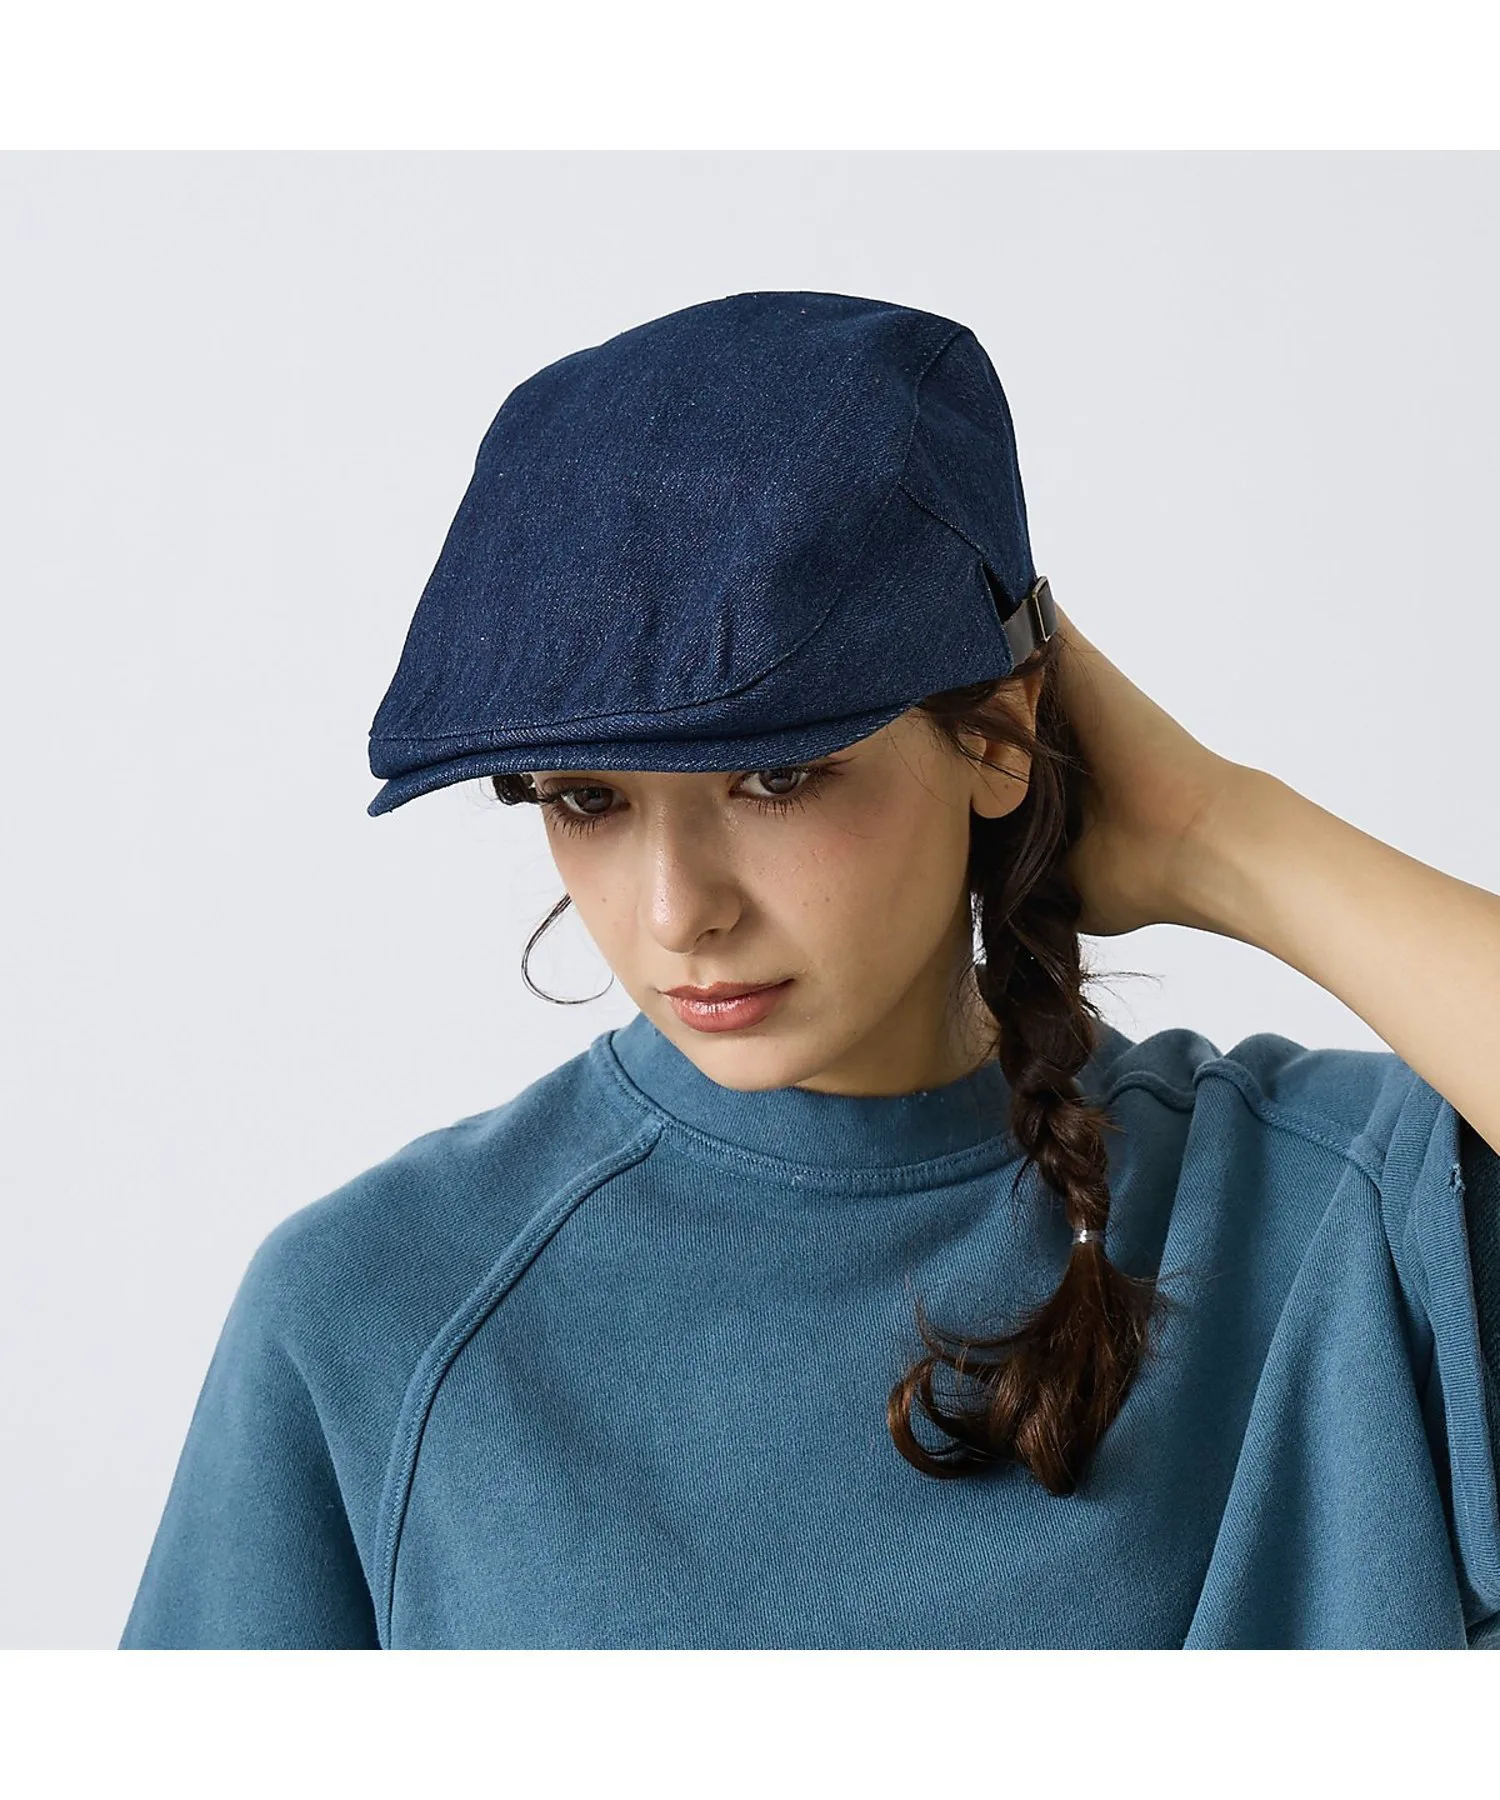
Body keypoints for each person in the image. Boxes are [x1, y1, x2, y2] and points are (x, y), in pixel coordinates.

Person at [119, 290, 1500, 1650]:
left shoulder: (1337, 1210)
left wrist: (1219, 833)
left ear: (996, 733)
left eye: (776, 777)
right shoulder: (373, 1311)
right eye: (586, 799)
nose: (679, 913)